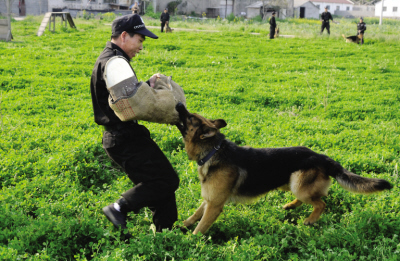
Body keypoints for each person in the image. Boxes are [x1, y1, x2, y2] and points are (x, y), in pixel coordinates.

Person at [90, 14, 180, 237]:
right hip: (124, 137)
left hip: (122, 136)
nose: (141, 47)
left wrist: (145, 85)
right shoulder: (114, 63)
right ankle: (118, 207)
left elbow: (126, 96)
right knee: (166, 179)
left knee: (159, 183)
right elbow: (133, 106)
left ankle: (165, 234)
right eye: (140, 40)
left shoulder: (112, 60)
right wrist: (164, 102)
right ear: (123, 36)